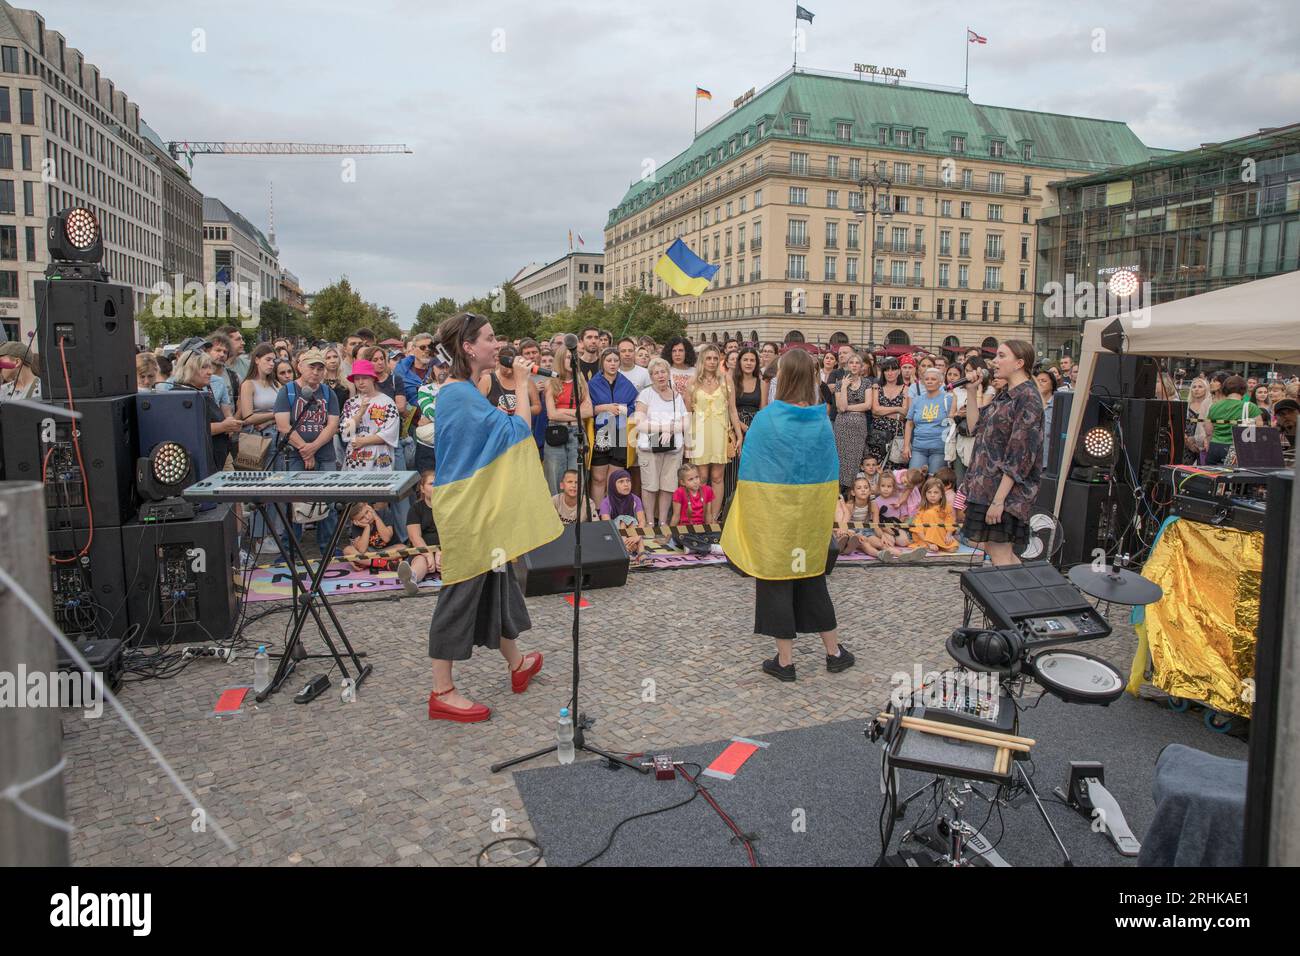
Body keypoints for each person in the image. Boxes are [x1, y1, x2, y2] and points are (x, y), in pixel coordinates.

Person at [424, 312, 560, 723]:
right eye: (489, 338)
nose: (496, 344)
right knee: (459, 593)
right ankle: (441, 691)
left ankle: (517, 664)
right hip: (467, 509)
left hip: (478, 505)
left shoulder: (465, 389)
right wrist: (521, 385)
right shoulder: (459, 395)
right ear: (468, 347)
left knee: (497, 583)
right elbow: (519, 431)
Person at [720, 347, 853, 682]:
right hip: (809, 517)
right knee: (812, 579)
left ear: (783, 378)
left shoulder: (766, 420)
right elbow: (830, 472)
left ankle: (785, 661)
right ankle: (834, 652)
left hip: (774, 515)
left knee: (776, 581)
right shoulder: (821, 421)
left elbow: (749, 472)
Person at [958, 339, 1044, 565]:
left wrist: (999, 501)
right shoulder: (1005, 394)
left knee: (999, 550)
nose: (994, 361)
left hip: (1007, 492)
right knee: (994, 548)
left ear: (1019, 363)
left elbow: (1020, 455)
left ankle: (1016, 600)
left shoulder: (1027, 397)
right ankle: (1029, 596)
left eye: (1001, 356)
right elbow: (976, 426)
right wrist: (971, 391)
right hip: (987, 484)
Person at [273, 349, 341, 555]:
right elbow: (283, 425)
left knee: (327, 501)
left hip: (324, 454)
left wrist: (313, 448)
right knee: (294, 503)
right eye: (312, 367)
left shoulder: (329, 393)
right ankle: (289, 551)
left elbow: (332, 425)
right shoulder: (288, 391)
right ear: (300, 367)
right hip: (295, 455)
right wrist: (304, 449)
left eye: (320, 368)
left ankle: (328, 549)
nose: (317, 372)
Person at [635, 357, 688, 527]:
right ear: (651, 376)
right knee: (650, 485)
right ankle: (650, 522)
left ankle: (663, 521)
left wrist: (671, 430)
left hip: (673, 449)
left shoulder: (677, 396)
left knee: (668, 486)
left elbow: (686, 422)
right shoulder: (646, 394)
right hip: (649, 448)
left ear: (668, 373)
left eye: (663, 371)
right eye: (656, 373)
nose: (660, 375)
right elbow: (640, 423)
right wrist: (664, 427)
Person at [172, 347, 242, 470]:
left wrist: (229, 424)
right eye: (204, 367)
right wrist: (224, 426)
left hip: (217, 459)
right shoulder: (181, 396)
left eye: (210, 367)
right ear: (189, 369)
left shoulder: (199, 393)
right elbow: (191, 430)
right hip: (200, 466)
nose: (210, 372)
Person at [587, 347, 638, 507]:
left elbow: (636, 407)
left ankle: (609, 513)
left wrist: (622, 409)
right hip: (601, 433)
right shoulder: (593, 383)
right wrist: (605, 407)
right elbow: (588, 409)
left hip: (620, 433)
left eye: (616, 360)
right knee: (598, 478)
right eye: (609, 360)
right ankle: (596, 512)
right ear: (603, 362)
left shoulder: (626, 383)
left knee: (613, 479)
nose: (613, 364)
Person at [684, 343, 730, 521]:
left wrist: (738, 436)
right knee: (701, 477)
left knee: (717, 477)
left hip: (720, 431)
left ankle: (714, 517)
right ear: (702, 360)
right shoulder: (692, 382)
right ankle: (699, 516)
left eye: (715, 358)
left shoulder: (726, 380)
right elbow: (687, 414)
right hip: (699, 433)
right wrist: (688, 441)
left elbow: (732, 410)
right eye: (708, 358)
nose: (712, 362)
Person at [543, 344, 593, 494]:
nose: (572, 361)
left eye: (575, 358)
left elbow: (589, 411)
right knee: (555, 478)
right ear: (560, 359)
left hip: (577, 432)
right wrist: (577, 412)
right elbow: (552, 414)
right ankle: (557, 514)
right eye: (569, 358)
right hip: (557, 431)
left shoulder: (581, 380)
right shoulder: (551, 382)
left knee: (577, 479)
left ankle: (575, 515)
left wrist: (563, 410)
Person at [341, 359, 400, 470]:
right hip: (355, 459)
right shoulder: (350, 403)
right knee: (355, 487)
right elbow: (346, 433)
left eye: (364, 378)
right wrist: (361, 411)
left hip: (380, 458)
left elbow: (391, 433)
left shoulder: (387, 402)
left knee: (380, 487)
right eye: (357, 379)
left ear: (373, 378)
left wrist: (363, 441)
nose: (360, 382)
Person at [902, 367, 953, 475]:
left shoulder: (948, 399)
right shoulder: (917, 400)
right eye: (927, 379)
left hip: (939, 448)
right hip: (918, 448)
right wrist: (906, 446)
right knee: (913, 480)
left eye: (933, 379)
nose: (929, 381)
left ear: (940, 382)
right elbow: (909, 423)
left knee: (934, 482)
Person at [399, 470, 442, 595]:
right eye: (431, 484)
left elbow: (454, 532)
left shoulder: (449, 506)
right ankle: (411, 579)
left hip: (444, 548)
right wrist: (427, 553)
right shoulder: (416, 508)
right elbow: (414, 536)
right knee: (420, 561)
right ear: (422, 489)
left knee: (447, 560)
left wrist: (442, 550)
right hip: (422, 549)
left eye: (438, 483)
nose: (436, 486)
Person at [831, 352, 870, 490]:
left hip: (859, 427)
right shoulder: (840, 384)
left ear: (861, 366)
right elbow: (840, 408)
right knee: (840, 459)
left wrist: (848, 407)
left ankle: (851, 492)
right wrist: (843, 387)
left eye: (857, 363)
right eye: (851, 362)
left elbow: (868, 405)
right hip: (842, 426)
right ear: (847, 366)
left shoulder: (866, 383)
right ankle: (839, 491)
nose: (854, 365)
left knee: (855, 459)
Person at [1205, 375, 1264, 465]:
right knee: (1234, 478)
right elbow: (1259, 430)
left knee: (1212, 476)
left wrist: (1209, 447)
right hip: (1238, 449)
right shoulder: (1250, 407)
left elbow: (1209, 432)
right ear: (1244, 389)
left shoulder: (1214, 406)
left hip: (1215, 446)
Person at [599, 468, 649, 565]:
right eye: (621, 482)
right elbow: (608, 525)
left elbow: (642, 521)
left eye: (628, 481)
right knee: (621, 520)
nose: (626, 484)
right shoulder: (606, 502)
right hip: (614, 537)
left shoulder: (635, 499)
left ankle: (641, 552)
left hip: (633, 536)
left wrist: (637, 537)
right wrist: (624, 540)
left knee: (631, 521)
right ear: (613, 485)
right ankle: (626, 550)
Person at [869, 357, 909, 467]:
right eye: (886, 370)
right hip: (878, 436)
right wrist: (897, 409)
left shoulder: (906, 389)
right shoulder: (877, 387)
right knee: (876, 468)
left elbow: (903, 414)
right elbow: (875, 410)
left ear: (899, 371)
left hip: (897, 436)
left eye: (893, 369)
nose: (890, 373)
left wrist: (882, 412)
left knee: (895, 469)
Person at [913, 477, 960, 554]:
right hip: (926, 537)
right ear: (925, 494)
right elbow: (918, 528)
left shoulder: (946, 507)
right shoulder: (922, 509)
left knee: (953, 548)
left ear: (941, 494)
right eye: (929, 492)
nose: (932, 495)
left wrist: (948, 535)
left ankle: (938, 545)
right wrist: (929, 543)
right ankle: (929, 545)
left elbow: (950, 522)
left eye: (936, 492)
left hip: (941, 535)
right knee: (931, 513)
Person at [1033, 365, 1059, 470]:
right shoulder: (1031, 404)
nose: (1039, 384)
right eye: (1037, 381)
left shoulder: (1057, 405)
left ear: (1052, 384)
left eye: (1043, 381)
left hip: (1049, 463)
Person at [1183, 376, 1213, 464]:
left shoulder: (1209, 405)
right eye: (1194, 387)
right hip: (1186, 443)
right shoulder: (1186, 405)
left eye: (1200, 387)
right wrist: (1187, 442)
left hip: (1204, 443)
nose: (1196, 389)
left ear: (1206, 389)